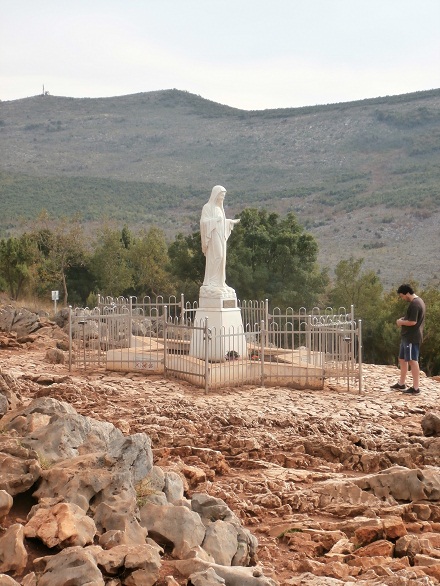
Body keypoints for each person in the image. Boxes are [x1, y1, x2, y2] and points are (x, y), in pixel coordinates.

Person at [200, 185, 240, 291]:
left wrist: (229, 222)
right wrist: (215, 220)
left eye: (224, 195)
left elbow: (221, 222)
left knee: (222, 258)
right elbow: (203, 222)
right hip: (213, 236)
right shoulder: (207, 207)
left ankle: (219, 281)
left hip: (220, 235)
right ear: (216, 195)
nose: (223, 197)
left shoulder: (220, 208)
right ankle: (211, 281)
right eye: (222, 195)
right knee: (218, 255)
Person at [390, 284, 426, 395]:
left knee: (412, 361)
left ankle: (415, 388)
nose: (402, 298)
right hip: (407, 337)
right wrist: (403, 319)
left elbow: (413, 322)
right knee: (402, 358)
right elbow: (410, 318)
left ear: (407, 293)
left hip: (412, 337)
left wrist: (401, 322)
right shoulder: (418, 302)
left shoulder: (415, 304)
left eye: (402, 296)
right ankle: (401, 383)